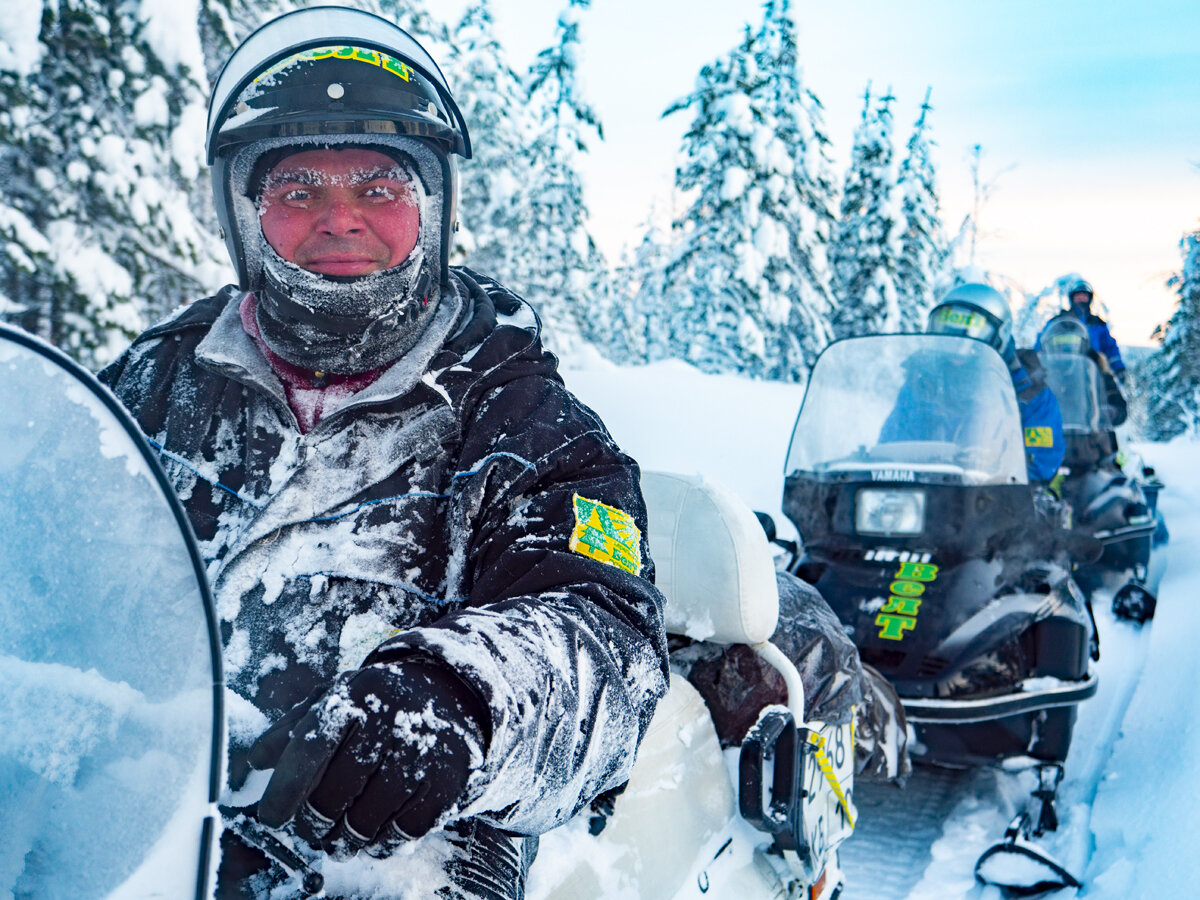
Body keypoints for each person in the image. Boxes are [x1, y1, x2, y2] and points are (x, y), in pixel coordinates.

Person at [99, 8, 667, 898]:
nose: (340, 221)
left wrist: (461, 699)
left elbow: (605, 643)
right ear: (245, 215)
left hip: (391, 862)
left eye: (378, 188)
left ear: (431, 208)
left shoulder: (526, 423)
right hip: (125, 824)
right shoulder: (148, 385)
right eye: (297, 191)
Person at [924, 283, 1066, 485]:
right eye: (948, 332)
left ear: (1000, 334)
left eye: (970, 335)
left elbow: (1042, 459)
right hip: (925, 490)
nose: (956, 344)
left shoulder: (1029, 390)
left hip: (998, 494)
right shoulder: (924, 382)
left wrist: (1001, 473)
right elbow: (893, 438)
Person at [1039, 279, 1126, 377]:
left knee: (1112, 388)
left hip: (1093, 373)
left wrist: (1118, 367)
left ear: (1090, 298)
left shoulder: (1097, 323)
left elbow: (1109, 346)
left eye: (1084, 296)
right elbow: (1043, 339)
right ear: (1072, 298)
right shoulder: (1059, 321)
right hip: (1060, 371)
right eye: (1078, 296)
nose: (1081, 298)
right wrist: (1037, 361)